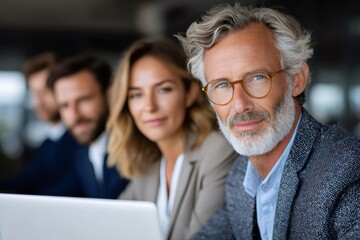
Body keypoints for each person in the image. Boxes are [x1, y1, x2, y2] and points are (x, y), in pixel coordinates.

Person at [177, 3, 360, 239]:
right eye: (222, 85)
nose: (240, 104)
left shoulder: (347, 170)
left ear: (297, 80)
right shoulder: (241, 173)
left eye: (257, 78)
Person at [106, 38, 237, 240]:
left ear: (190, 93)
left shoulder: (217, 152)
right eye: (136, 95)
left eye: (163, 89)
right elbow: (112, 229)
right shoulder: (147, 165)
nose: (149, 106)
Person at [47, 55, 129, 199]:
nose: (75, 115)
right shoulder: (82, 155)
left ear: (109, 95)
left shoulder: (134, 148)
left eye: (83, 100)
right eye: (64, 106)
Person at [0, 52, 81, 196]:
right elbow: (25, 180)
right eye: (34, 93)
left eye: (44, 92)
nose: (38, 101)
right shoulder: (49, 142)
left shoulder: (80, 140)